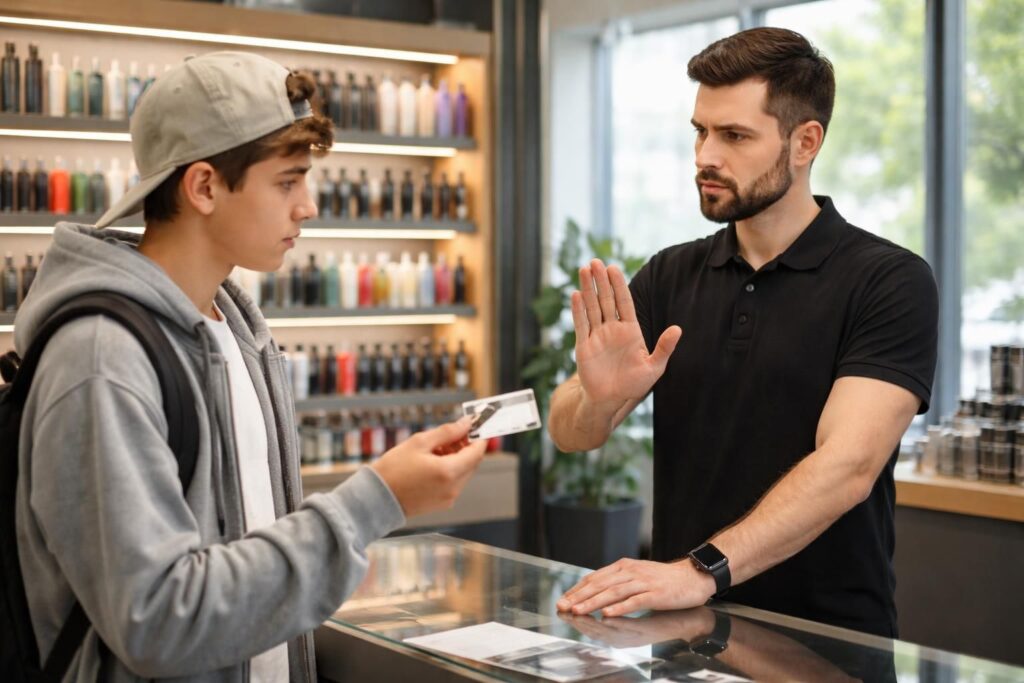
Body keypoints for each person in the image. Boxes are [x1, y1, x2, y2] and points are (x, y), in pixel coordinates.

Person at [14, 52, 485, 682]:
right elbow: (159, 620)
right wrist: (377, 500)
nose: (308, 206)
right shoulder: (103, 357)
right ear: (204, 186)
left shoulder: (235, 326)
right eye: (287, 182)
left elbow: (247, 536)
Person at [550, 27, 937, 638]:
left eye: (734, 136)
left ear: (805, 142)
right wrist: (596, 402)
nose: (706, 155)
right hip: (685, 631)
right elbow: (570, 433)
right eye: (700, 132)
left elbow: (848, 466)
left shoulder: (888, 281)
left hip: (828, 642)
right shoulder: (670, 274)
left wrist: (700, 570)